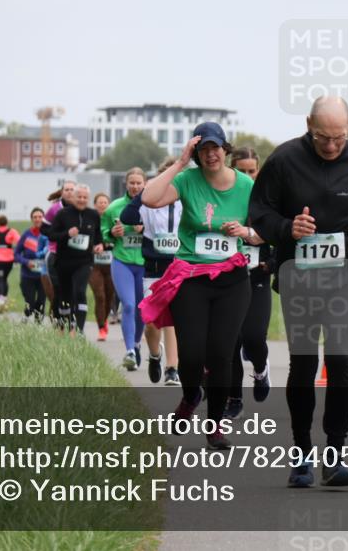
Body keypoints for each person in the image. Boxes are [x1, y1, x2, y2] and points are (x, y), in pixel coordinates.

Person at [249, 97, 348, 487]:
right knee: (303, 364)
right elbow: (258, 213)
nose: (331, 147)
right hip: (300, 277)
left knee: (342, 362)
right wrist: (286, 228)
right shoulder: (283, 161)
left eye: (338, 138)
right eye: (322, 138)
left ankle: (335, 453)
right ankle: (300, 454)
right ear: (308, 124)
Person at [139, 122, 257, 450]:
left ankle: (215, 425)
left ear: (225, 149)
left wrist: (245, 234)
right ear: (196, 153)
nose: (211, 155)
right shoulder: (187, 180)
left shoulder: (246, 185)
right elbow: (148, 199)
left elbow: (264, 231)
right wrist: (179, 162)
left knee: (221, 355)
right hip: (191, 277)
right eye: (203, 150)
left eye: (215, 148)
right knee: (191, 355)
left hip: (232, 280)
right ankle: (191, 395)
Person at [223, 147, 273, 420]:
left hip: (258, 275)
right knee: (232, 340)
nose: (246, 176)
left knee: (253, 336)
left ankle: (261, 368)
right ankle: (234, 398)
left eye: (251, 171)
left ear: (258, 171)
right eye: (240, 171)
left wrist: (272, 263)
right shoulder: (222, 198)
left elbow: (282, 233)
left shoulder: (268, 200)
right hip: (227, 277)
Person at [124, 158, 182, 385]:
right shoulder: (148, 202)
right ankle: (155, 355)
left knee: (173, 320)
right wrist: (145, 192)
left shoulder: (184, 202)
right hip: (153, 269)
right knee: (151, 322)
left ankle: (172, 369)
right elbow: (128, 217)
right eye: (165, 179)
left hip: (178, 267)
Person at [105, 169, 149, 370]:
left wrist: (146, 229)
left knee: (141, 309)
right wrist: (112, 233)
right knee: (129, 305)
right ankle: (129, 350)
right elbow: (103, 233)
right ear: (126, 183)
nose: (135, 186)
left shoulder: (152, 204)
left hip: (145, 263)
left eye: (139, 183)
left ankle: (137, 343)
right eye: (131, 183)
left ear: (145, 183)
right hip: (122, 261)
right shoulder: (114, 207)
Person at [49, 184, 104, 335]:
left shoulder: (93, 215)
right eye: (78, 197)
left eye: (84, 197)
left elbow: (98, 235)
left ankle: (78, 330)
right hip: (64, 262)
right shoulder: (62, 214)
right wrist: (67, 234)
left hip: (84, 261)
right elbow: (52, 235)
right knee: (64, 296)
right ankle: (64, 325)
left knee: (80, 291)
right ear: (73, 198)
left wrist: (99, 245)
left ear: (88, 199)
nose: (81, 200)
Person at [41, 180, 76, 322]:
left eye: (72, 189)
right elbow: (44, 228)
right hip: (55, 254)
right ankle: (58, 321)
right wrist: (58, 235)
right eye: (66, 189)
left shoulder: (81, 208)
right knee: (59, 289)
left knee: (74, 289)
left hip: (75, 255)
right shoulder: (55, 208)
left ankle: (72, 321)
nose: (69, 192)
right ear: (62, 192)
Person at [89, 193, 118, 341]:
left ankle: (104, 318)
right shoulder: (90, 220)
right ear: (95, 205)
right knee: (99, 295)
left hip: (112, 264)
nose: (102, 205)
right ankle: (101, 327)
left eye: (105, 202)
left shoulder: (114, 220)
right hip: (94, 265)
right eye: (99, 202)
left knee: (109, 296)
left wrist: (108, 243)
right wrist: (93, 246)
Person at [14, 207, 50, 322]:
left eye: (40, 217)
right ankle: (27, 314)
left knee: (41, 302)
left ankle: (38, 327)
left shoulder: (49, 233)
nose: (38, 219)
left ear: (43, 218)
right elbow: (16, 254)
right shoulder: (26, 234)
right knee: (30, 302)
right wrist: (26, 262)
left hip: (43, 275)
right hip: (27, 275)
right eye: (35, 217)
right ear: (31, 219)